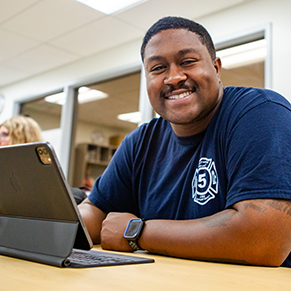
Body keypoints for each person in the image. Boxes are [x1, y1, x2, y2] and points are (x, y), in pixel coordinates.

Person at [78, 16, 291, 267]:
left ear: (216, 68)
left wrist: (137, 232)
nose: (174, 77)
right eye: (158, 68)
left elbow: (264, 240)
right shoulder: (139, 143)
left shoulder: (260, 113)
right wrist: (53, 222)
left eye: (187, 62)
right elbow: (94, 210)